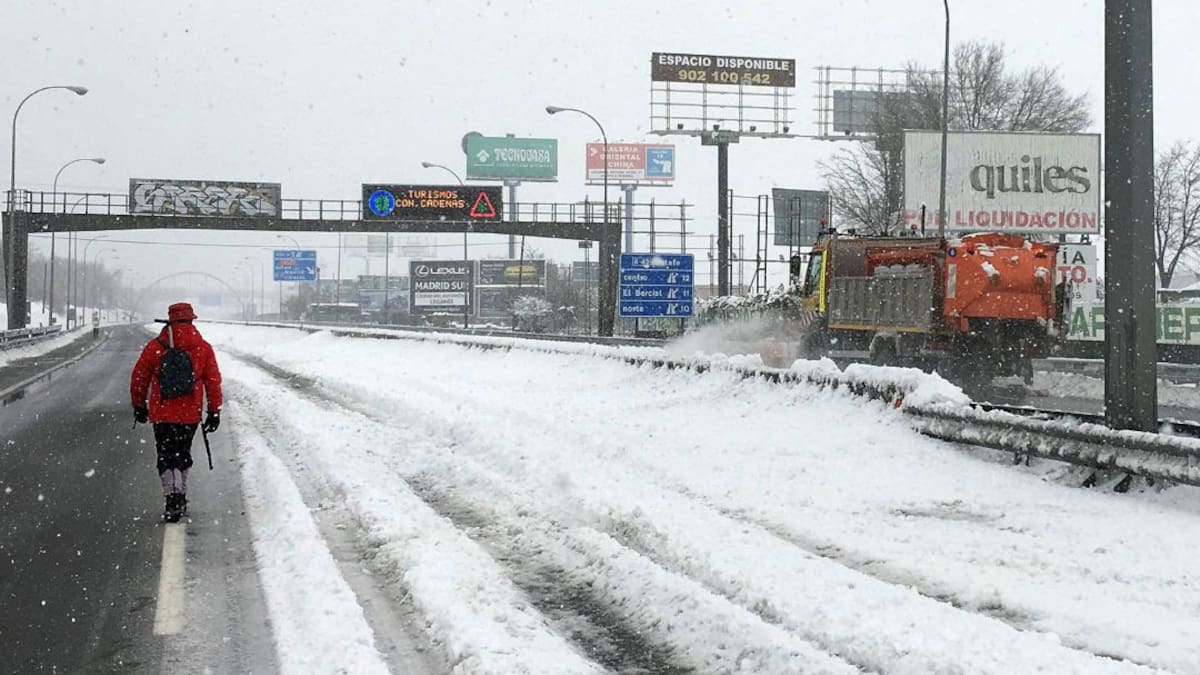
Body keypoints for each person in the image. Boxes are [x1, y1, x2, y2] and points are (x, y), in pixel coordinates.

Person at [130, 302, 222, 522]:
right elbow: (213, 380)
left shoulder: (156, 346)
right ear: (191, 320)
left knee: (166, 455)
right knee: (183, 453)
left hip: (162, 413)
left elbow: (139, 377)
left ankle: (171, 496)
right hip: (190, 413)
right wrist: (214, 411)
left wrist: (139, 405)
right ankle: (180, 494)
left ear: (169, 320)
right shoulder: (203, 348)